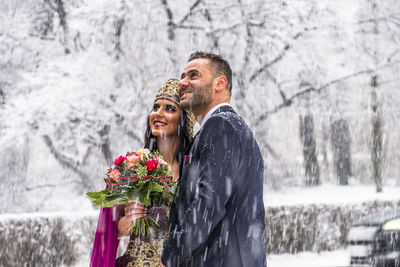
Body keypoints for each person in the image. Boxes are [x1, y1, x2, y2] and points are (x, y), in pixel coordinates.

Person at [161, 51, 266, 267]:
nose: (182, 82)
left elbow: (208, 204)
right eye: (183, 76)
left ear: (220, 83)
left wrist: (169, 257)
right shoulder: (226, 128)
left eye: (193, 75)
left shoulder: (221, 126)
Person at [89, 78, 195, 267]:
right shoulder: (136, 165)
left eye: (169, 108)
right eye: (155, 107)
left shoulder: (194, 172)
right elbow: (111, 230)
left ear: (184, 120)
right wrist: (128, 221)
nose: (158, 113)